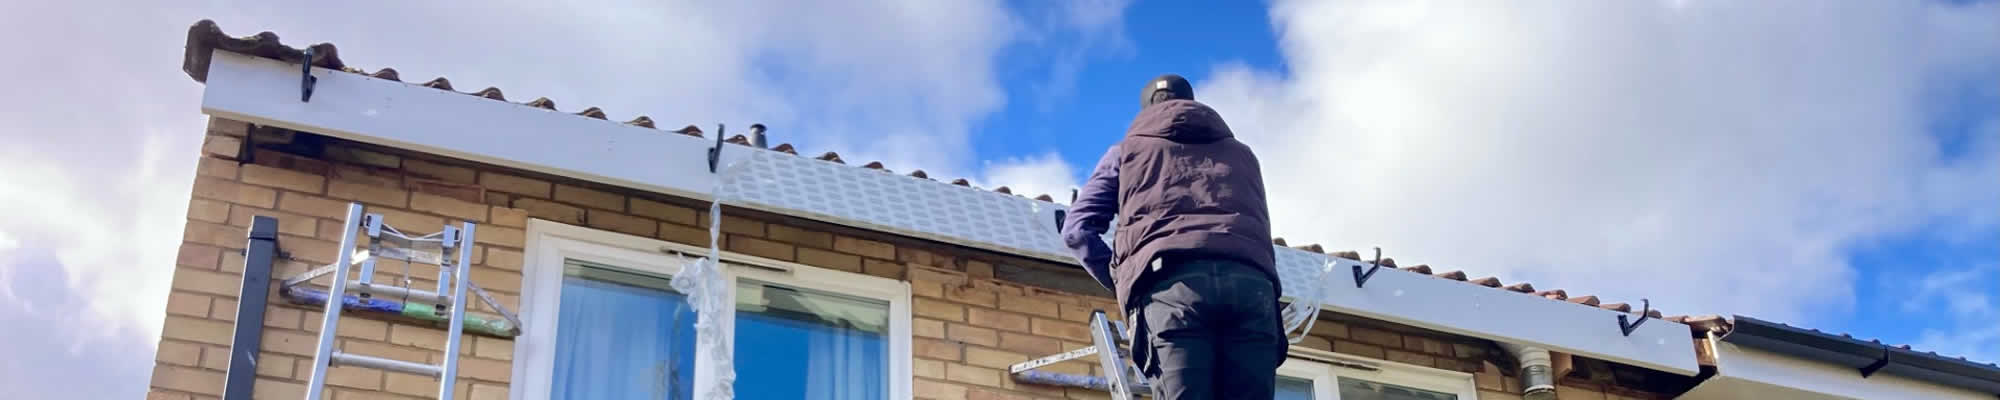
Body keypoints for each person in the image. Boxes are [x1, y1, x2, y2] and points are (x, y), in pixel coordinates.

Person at [1061, 74, 1284, 399]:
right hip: (1253, 290)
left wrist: (1123, 279)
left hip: (1170, 290)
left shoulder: (1127, 152)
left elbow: (1077, 230)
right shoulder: (1243, 156)